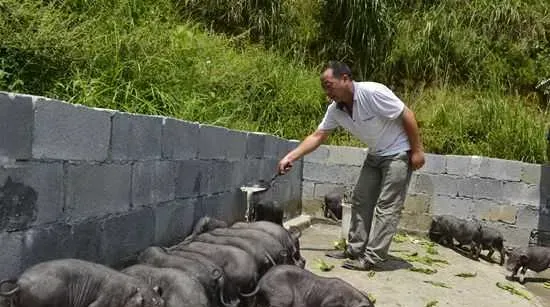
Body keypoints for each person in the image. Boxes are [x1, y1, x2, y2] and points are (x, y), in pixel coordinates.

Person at [277, 61, 425, 271]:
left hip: (398, 153)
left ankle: (373, 258)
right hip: (375, 154)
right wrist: (291, 157)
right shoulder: (336, 110)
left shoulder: (372, 92)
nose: (327, 92)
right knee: (361, 200)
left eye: (329, 85)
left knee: (387, 206)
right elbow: (318, 136)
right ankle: (355, 250)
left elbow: (407, 114)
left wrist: (417, 151)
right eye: (324, 87)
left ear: (345, 78)